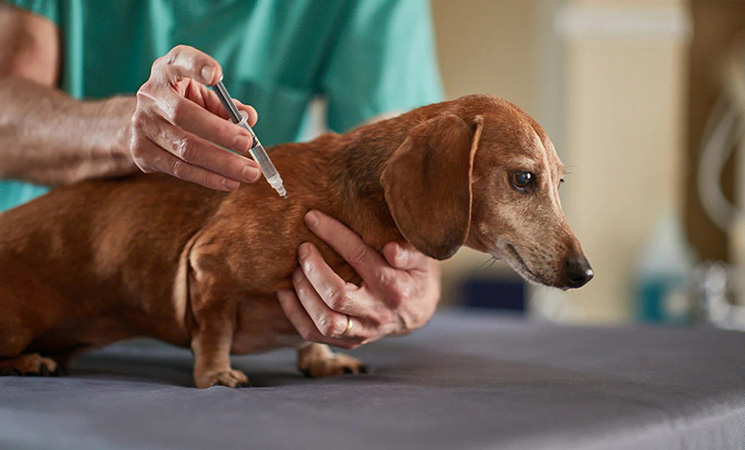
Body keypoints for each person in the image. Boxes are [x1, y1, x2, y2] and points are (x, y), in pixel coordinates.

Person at [0, 0, 443, 348]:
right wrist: (121, 128)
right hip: (34, 289)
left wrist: (407, 279)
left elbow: (390, 179)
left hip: (244, 328)